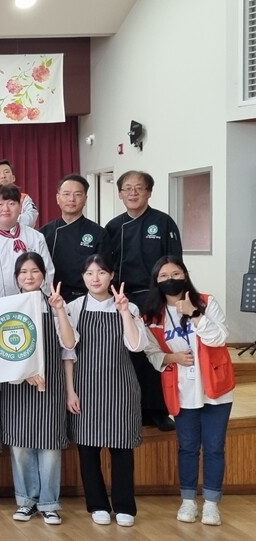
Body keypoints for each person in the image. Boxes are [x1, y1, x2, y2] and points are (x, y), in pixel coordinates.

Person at [141, 256, 234, 527]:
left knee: (214, 448)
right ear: (156, 281)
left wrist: (194, 313)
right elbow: (151, 352)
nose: (170, 279)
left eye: (176, 273)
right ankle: (189, 500)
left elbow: (220, 337)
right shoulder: (153, 315)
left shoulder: (205, 302)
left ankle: (212, 504)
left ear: (185, 275)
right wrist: (172, 358)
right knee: (188, 448)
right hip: (182, 389)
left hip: (215, 388)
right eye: (163, 275)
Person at [64, 255, 147, 528]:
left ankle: (124, 506)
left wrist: (124, 312)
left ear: (112, 275)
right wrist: (70, 391)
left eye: (101, 272)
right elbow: (68, 350)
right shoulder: (74, 307)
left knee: (122, 449)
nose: (95, 278)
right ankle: (97, 504)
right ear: (83, 277)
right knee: (88, 450)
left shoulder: (129, 306)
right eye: (89, 273)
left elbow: (136, 345)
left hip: (120, 387)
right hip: (85, 387)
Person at [0, 253, 76, 526]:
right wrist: (25, 371)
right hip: (18, 387)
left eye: (34, 271)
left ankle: (49, 504)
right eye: (23, 272)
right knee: (20, 446)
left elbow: (69, 344)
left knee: (50, 445)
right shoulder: (8, 306)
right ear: (16, 277)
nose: (29, 276)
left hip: (51, 385)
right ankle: (26, 502)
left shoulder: (54, 304)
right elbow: (1, 349)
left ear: (44, 275)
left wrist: (59, 310)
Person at [105, 170, 183, 432]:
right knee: (130, 356)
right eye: (127, 188)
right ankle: (132, 409)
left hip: (155, 296)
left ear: (149, 192)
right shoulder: (113, 227)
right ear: (120, 194)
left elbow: (174, 263)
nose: (133, 193)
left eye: (139, 188)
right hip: (123, 300)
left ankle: (159, 411)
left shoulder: (163, 222)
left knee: (156, 353)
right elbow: (106, 267)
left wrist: (171, 296)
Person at [0, 183, 54, 299]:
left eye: (11, 203)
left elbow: (47, 271)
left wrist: (34, 298)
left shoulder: (36, 237)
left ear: (20, 208)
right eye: (0, 204)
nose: (6, 209)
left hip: (30, 302)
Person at [39, 174, 112, 302]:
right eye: (66, 194)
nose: (71, 199)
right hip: (51, 297)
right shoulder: (44, 232)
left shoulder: (99, 233)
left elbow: (104, 270)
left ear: (85, 199)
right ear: (58, 198)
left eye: (78, 194)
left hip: (85, 299)